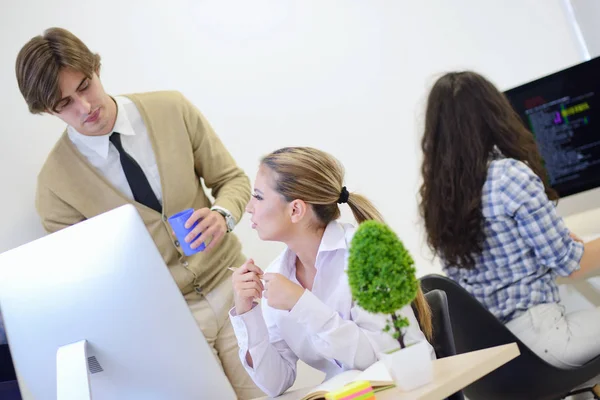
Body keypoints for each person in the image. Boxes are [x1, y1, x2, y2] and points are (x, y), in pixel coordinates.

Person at [15, 27, 262, 399]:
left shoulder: (172, 109)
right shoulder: (54, 186)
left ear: (96, 68)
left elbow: (232, 180)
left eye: (85, 86)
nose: (85, 107)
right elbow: (91, 286)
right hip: (168, 324)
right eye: (64, 104)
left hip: (234, 291)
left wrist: (223, 215)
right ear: (47, 110)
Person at [419, 70, 600, 369]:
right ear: (494, 114)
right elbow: (571, 263)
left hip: (497, 357)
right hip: (544, 340)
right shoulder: (509, 176)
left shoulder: (438, 200)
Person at [229, 147, 434, 397]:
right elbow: (275, 383)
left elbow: (381, 361)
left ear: (295, 210)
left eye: (258, 197)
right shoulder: (279, 275)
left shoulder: (365, 255)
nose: (249, 207)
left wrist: (301, 303)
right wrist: (246, 312)